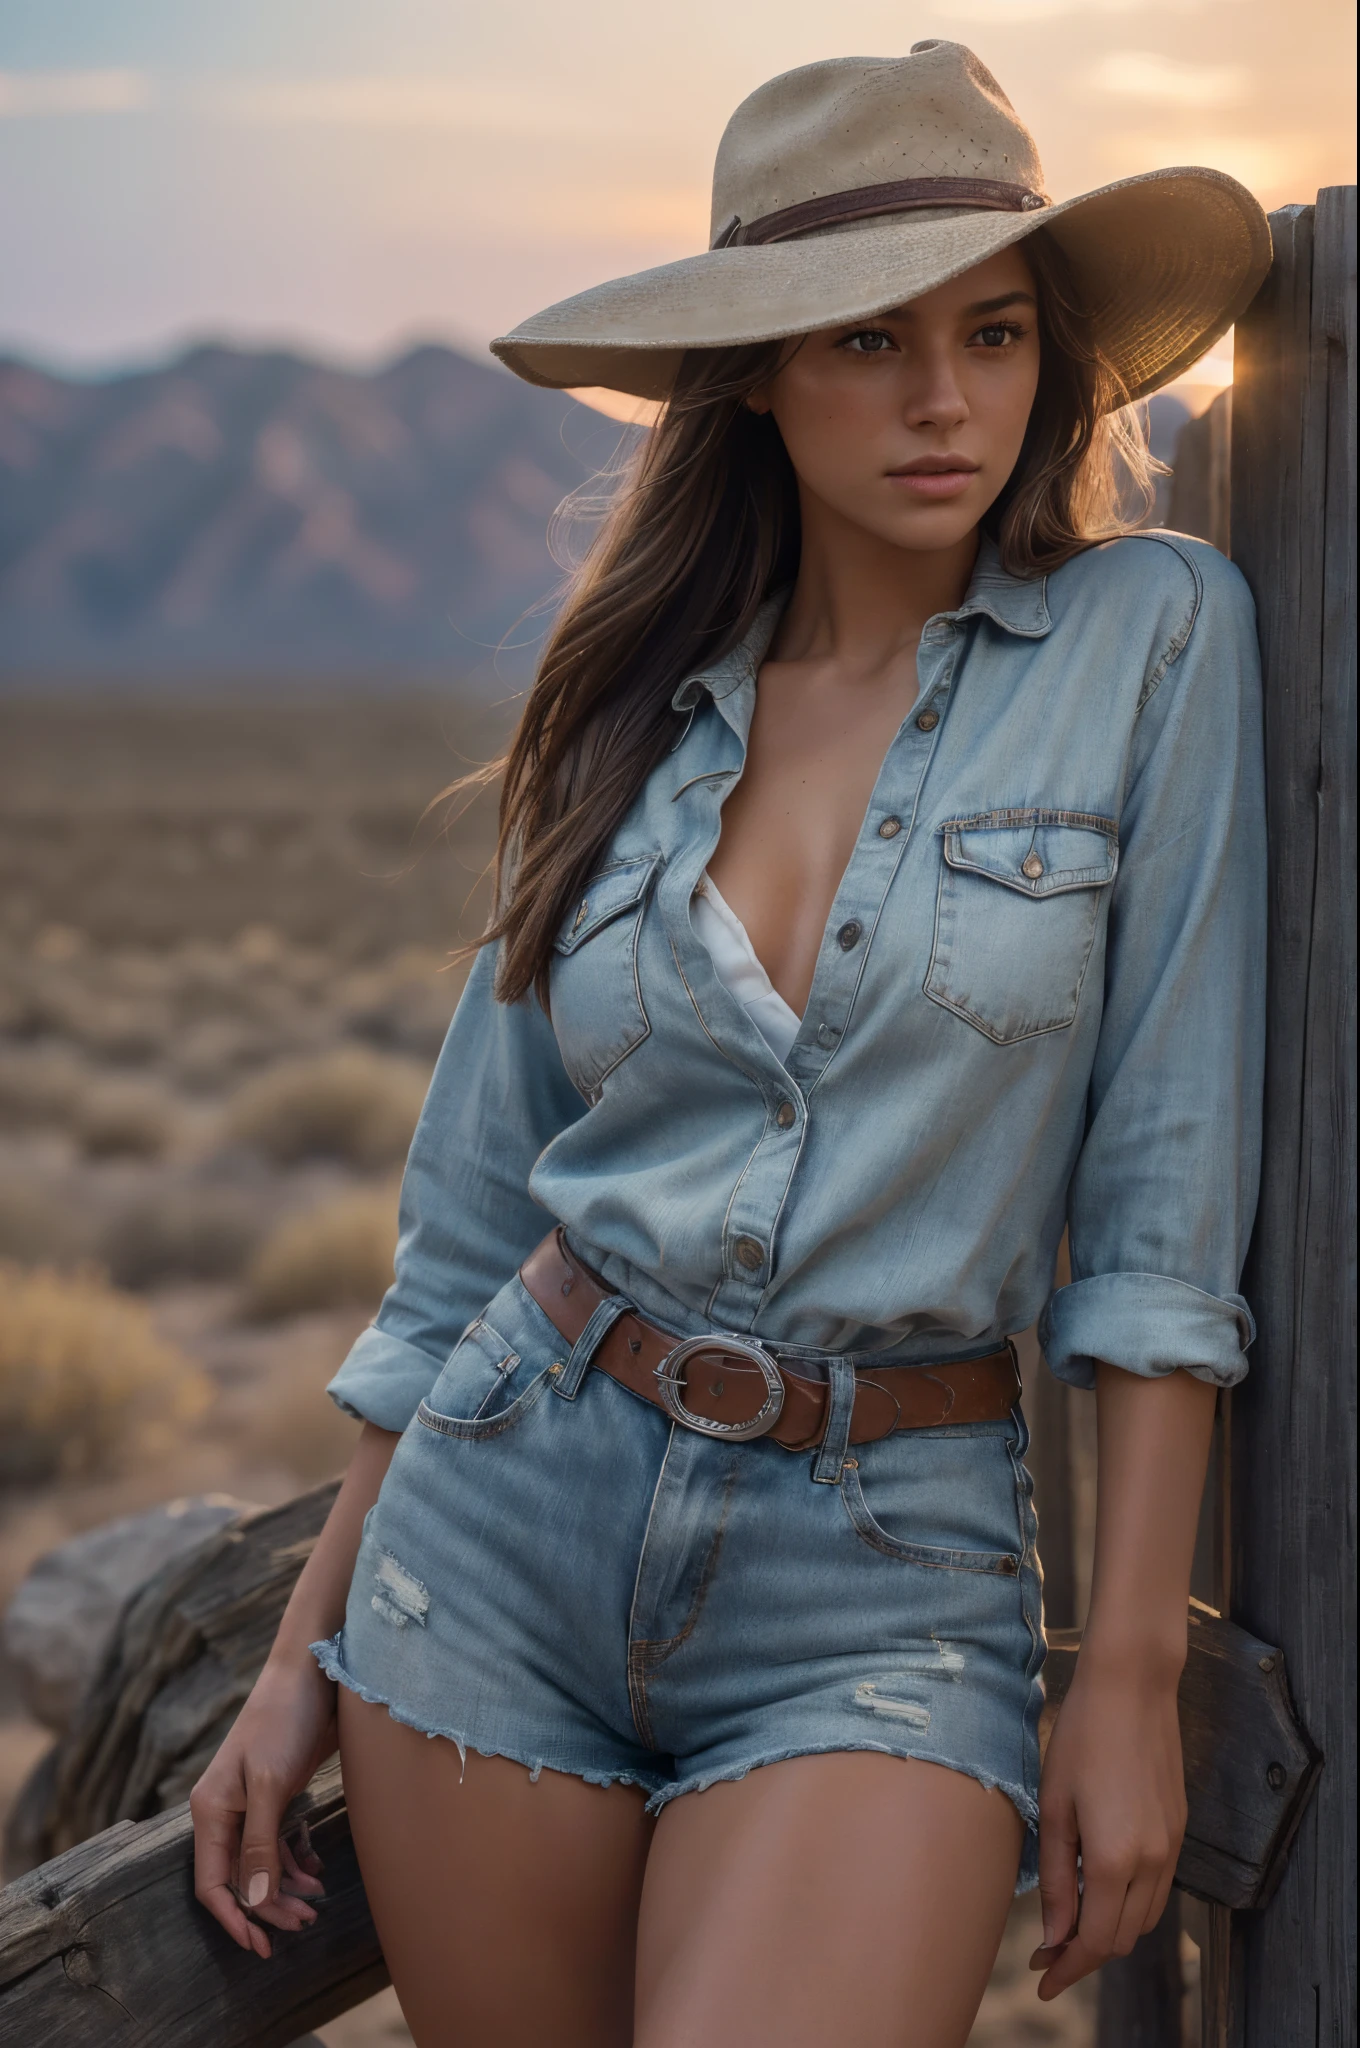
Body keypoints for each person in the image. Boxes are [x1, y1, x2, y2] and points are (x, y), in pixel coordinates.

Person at [190, 42, 1270, 2048]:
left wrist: (1117, 1671)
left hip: (878, 1574)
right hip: (498, 1523)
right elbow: (463, 1227)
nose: (943, 399)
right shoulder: (623, 715)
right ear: (757, 369)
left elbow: (1158, 1200)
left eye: (995, 331)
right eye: (866, 338)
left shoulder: (1149, 643)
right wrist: (294, 1659)